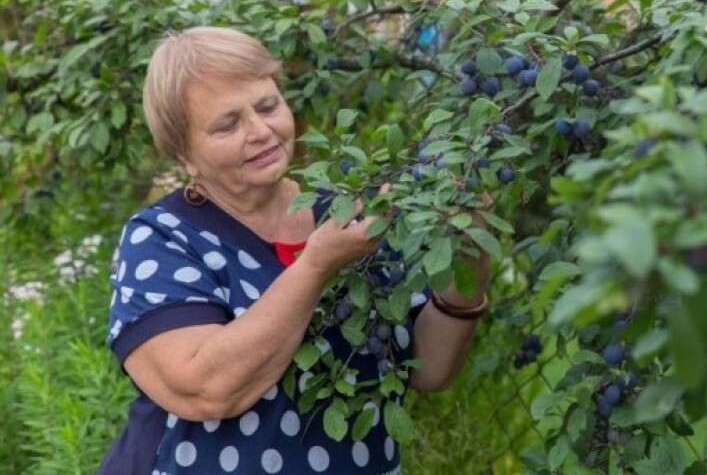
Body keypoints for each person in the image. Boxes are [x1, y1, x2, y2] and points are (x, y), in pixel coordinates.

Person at [99, 26, 490, 475]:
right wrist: (316, 266)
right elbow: (206, 388)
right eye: (228, 124)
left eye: (268, 106)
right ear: (184, 153)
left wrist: (468, 242)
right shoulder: (163, 237)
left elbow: (430, 367)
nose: (261, 130)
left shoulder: (345, 210)